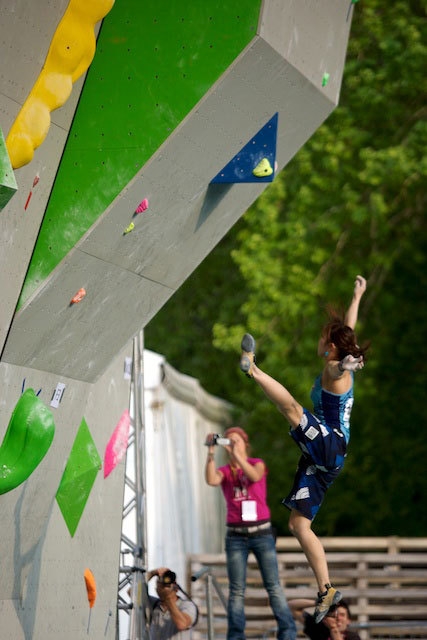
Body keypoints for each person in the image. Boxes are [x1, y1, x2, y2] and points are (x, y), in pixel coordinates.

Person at [239, 276, 368, 623]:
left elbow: (337, 366)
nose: (319, 341)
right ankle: (326, 588)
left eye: (323, 340)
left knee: (293, 411)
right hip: (327, 459)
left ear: (331, 349)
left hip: (331, 445)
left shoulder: (333, 370)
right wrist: (356, 296)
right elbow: (347, 332)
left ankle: (254, 368)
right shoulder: (336, 357)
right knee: (298, 525)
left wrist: (346, 365)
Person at [204, 426, 297, 640]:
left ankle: (288, 632)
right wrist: (210, 453)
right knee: (237, 590)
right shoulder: (226, 471)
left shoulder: (257, 463)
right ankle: (236, 636)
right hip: (236, 536)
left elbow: (254, 476)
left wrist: (238, 455)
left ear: (246, 444)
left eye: (236, 441)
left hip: (261, 533)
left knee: (273, 586)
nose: (232, 445)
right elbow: (211, 480)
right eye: (228, 442)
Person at [146, 567, 198, 640]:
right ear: (156, 589)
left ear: (176, 587)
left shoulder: (187, 605)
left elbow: (182, 624)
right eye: (160, 582)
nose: (165, 585)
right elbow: (133, 593)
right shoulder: (154, 605)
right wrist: (152, 573)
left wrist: (168, 598)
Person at [289, 599, 361, 640]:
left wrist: (333, 628)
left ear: (348, 620)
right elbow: (291, 606)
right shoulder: (318, 629)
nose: (338, 618)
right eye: (334, 615)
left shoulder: (353, 637)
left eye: (342, 615)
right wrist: (319, 603)